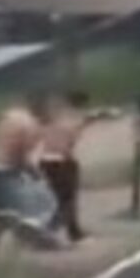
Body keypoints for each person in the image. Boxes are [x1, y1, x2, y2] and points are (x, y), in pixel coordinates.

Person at [0, 93, 58, 278]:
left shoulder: (11, 118)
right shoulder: (30, 127)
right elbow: (21, 157)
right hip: (6, 177)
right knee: (42, 205)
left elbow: (0, 147)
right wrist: (38, 175)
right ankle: (39, 241)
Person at [38, 91, 104, 244]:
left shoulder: (50, 119)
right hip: (63, 161)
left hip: (45, 162)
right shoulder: (72, 119)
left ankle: (47, 231)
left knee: (52, 198)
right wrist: (98, 116)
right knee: (68, 199)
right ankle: (72, 232)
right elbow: (84, 121)